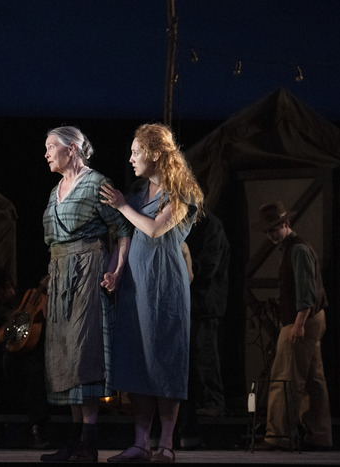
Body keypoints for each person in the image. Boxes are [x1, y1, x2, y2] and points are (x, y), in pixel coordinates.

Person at [101, 123, 203, 463]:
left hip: (165, 289)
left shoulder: (182, 194)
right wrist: (115, 271)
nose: (131, 158)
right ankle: (141, 443)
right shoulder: (135, 193)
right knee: (137, 362)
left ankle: (167, 444)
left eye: (136, 152)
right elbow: (127, 238)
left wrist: (121, 206)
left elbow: (156, 229)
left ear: (155, 154)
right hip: (134, 286)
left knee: (165, 361)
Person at [39, 126, 131, 463]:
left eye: (51, 146)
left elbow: (122, 230)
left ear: (73, 148)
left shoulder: (96, 184)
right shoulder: (55, 191)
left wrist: (116, 271)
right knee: (64, 354)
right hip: (60, 273)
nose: (46, 153)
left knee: (84, 351)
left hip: (88, 270)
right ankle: (74, 440)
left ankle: (89, 442)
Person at [252, 201, 332, 451]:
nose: (271, 234)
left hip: (302, 320)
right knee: (312, 380)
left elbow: (306, 291)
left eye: (275, 228)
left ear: (287, 223)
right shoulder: (292, 248)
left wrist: (298, 323)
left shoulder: (297, 250)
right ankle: (318, 435)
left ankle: (277, 436)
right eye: (268, 231)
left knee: (284, 378)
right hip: (310, 319)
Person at [177, 210, 230, 448]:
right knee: (192, 355)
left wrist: (186, 264)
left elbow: (209, 265)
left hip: (206, 301)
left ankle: (213, 402)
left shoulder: (211, 225)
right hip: (188, 302)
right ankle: (198, 403)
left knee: (205, 353)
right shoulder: (181, 223)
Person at [0, 267, 50, 449]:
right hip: (12, 359)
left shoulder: (28, 298)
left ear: (7, 286)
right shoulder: (0, 312)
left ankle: (36, 428)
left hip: (35, 355)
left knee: (34, 370)